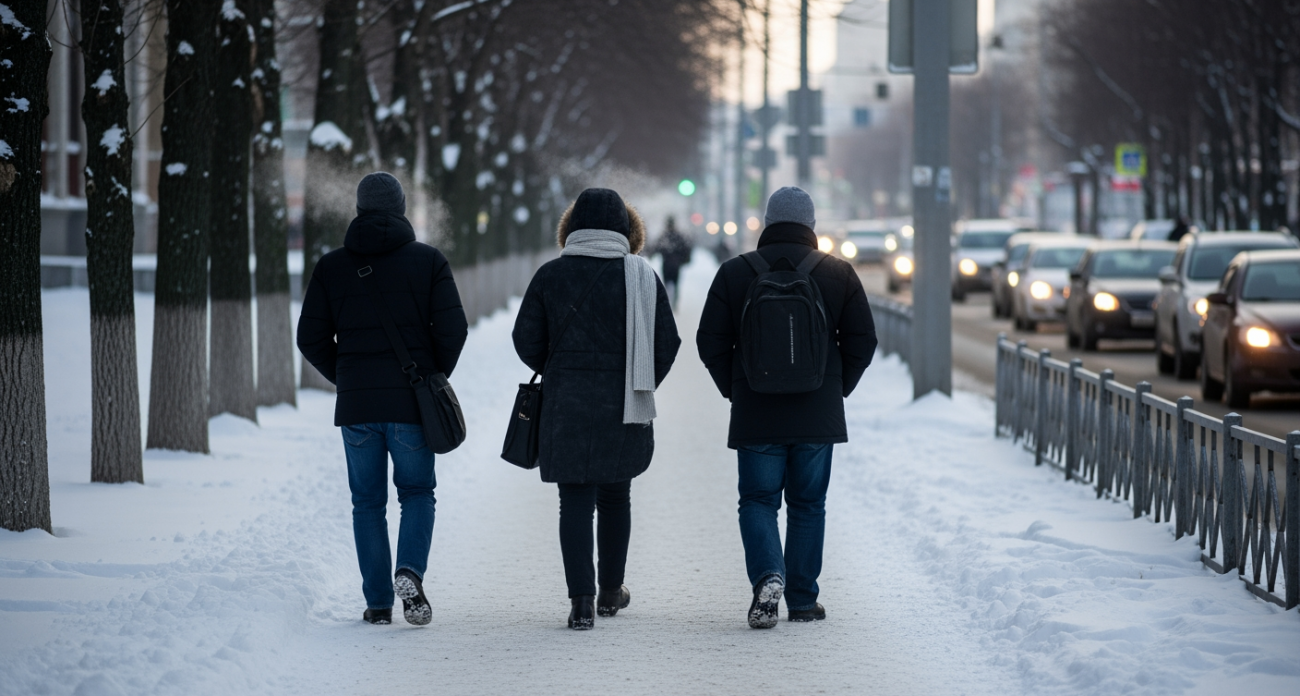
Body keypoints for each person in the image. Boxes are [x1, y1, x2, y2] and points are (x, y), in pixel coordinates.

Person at [695, 186, 877, 629]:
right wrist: (835, 388)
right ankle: (801, 600)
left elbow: (709, 342)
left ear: (767, 222)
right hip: (818, 413)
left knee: (757, 500)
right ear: (810, 225)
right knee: (808, 504)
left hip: (757, 410)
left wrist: (736, 388)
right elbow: (863, 341)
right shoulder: (838, 273)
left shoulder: (736, 273)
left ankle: (767, 575)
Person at [297, 172, 468, 627]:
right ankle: (408, 570)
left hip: (357, 409)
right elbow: (454, 330)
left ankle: (377, 604)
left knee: (366, 502)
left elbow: (309, 336)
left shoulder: (332, 266)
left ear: (359, 209)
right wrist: (431, 377)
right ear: (401, 209)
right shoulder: (428, 261)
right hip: (411, 405)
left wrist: (347, 376)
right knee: (416, 492)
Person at [512, 188, 681, 630]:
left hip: (565, 406)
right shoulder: (642, 277)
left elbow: (525, 339)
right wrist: (642, 381)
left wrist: (557, 366)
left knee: (574, 503)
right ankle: (610, 592)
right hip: (622, 405)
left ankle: (581, 602)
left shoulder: (550, 275)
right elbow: (668, 343)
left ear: (571, 228)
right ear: (628, 230)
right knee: (615, 497)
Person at [651, 216, 693, 307]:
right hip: (676, 265)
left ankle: (667, 302)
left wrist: (652, 255)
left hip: (666, 264)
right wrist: (684, 260)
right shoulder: (679, 236)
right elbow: (686, 249)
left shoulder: (664, 236)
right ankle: (675, 303)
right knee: (676, 284)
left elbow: (656, 248)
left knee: (666, 283)